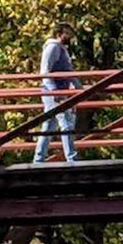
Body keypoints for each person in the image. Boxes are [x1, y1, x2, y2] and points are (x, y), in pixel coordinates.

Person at [34, 23, 82, 163]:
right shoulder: (53, 47)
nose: (70, 36)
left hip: (59, 91)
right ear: (59, 33)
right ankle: (72, 158)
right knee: (65, 123)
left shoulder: (62, 49)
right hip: (54, 92)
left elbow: (68, 72)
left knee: (49, 126)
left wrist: (79, 87)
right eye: (67, 33)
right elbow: (45, 72)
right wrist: (54, 92)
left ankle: (38, 159)